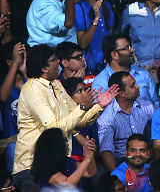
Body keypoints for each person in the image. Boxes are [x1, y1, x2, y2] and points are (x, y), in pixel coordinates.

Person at [13, 44, 118, 192]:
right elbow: (53, 128)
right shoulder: (33, 89)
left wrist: (98, 106)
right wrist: (82, 108)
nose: (59, 62)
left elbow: (78, 119)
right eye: (54, 60)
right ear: (44, 68)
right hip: (32, 166)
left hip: (57, 163)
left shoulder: (56, 85)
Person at [98, 71, 154, 173]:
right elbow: (106, 151)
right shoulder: (107, 117)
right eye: (133, 85)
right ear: (122, 93)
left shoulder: (147, 107)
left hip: (145, 156)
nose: (138, 86)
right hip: (121, 161)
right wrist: (117, 176)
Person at [92, 33, 158, 105]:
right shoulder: (100, 83)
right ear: (115, 55)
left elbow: (156, 103)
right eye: (127, 48)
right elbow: (98, 109)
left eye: (131, 46)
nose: (132, 50)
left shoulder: (143, 74)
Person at [74, 0, 115, 74]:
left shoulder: (106, 5)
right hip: (90, 67)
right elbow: (82, 43)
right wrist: (96, 19)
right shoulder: (79, 8)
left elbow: (110, 34)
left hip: (108, 63)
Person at [30, 127, 97, 191]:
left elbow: (90, 172)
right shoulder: (45, 169)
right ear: (56, 145)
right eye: (65, 140)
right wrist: (86, 160)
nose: (67, 144)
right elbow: (67, 185)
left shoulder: (68, 161)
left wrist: (90, 155)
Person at [0, 41, 26, 173]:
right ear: (9, 62)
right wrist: (16, 63)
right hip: (10, 139)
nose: (26, 60)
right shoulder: (3, 82)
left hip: (31, 135)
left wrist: (26, 72)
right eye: (22, 57)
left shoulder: (31, 80)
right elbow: (3, 97)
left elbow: (40, 94)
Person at [61, 77, 99, 163]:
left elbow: (95, 151)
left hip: (87, 162)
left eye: (84, 90)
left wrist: (74, 131)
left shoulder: (90, 116)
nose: (85, 94)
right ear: (68, 96)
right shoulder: (61, 118)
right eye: (79, 91)